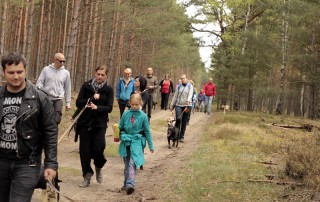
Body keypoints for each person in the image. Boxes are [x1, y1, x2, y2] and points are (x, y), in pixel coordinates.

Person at [0, 52, 58, 201]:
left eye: (19, 72)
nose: (16, 76)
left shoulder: (40, 98)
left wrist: (51, 164)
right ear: (3, 72)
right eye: (11, 72)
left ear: (25, 71)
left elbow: (50, 132)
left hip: (27, 163)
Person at [74, 65, 114, 188]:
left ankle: (98, 166)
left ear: (106, 76)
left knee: (99, 148)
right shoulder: (86, 86)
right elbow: (78, 102)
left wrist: (98, 108)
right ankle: (87, 175)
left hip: (99, 124)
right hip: (85, 123)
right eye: (98, 74)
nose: (100, 77)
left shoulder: (108, 90)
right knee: (84, 151)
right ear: (95, 73)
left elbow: (109, 107)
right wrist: (91, 98)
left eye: (102, 75)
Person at [118, 94, 154, 195]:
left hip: (137, 142)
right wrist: (118, 132)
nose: (134, 106)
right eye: (132, 104)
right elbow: (120, 126)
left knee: (132, 163)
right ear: (130, 104)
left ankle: (130, 184)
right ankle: (126, 184)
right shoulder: (125, 114)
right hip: (126, 142)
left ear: (140, 103)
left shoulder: (143, 116)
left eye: (136, 104)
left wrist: (151, 146)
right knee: (126, 165)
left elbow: (147, 132)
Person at [36, 52, 71, 125]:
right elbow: (40, 82)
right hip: (46, 98)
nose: (62, 63)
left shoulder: (66, 73)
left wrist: (68, 103)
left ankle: (53, 134)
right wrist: (40, 90)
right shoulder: (46, 69)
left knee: (56, 120)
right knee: (44, 118)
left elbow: (67, 88)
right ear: (55, 60)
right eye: (60, 61)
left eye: (63, 61)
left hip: (58, 99)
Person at [170, 74, 193, 143]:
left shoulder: (190, 86)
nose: (183, 80)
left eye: (184, 78)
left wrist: (188, 100)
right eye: (182, 78)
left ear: (186, 78)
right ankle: (176, 135)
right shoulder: (179, 86)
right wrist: (172, 105)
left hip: (187, 106)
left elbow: (190, 94)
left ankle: (182, 136)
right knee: (178, 119)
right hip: (178, 105)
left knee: (184, 121)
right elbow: (175, 96)